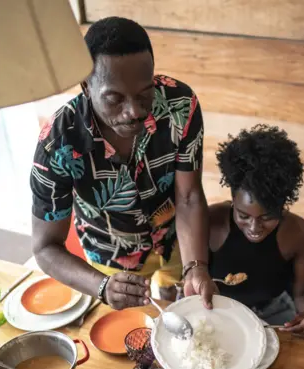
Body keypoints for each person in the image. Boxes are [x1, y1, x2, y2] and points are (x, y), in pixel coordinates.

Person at [30, 17, 216, 310]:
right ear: (86, 85)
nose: (133, 112)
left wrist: (196, 266)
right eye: (114, 98)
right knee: (127, 339)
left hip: (177, 240)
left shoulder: (180, 105)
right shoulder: (57, 143)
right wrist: (101, 287)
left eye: (145, 94)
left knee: (180, 322)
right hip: (110, 262)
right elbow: (45, 248)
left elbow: (189, 196)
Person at [207, 125, 304, 338]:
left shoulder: (299, 234)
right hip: (216, 307)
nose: (254, 228)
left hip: (272, 312)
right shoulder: (211, 222)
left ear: (283, 206)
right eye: (243, 216)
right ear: (233, 200)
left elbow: (303, 293)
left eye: (267, 217)